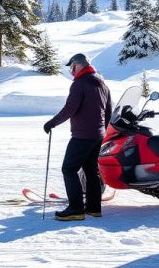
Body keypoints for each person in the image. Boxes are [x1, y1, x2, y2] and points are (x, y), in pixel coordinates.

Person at [43, 53, 112, 221]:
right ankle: (93, 208)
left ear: (78, 65)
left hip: (82, 135)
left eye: (71, 67)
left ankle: (75, 209)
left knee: (69, 169)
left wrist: (52, 123)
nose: (70, 71)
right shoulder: (102, 82)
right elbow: (108, 109)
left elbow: (70, 108)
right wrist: (102, 130)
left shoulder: (80, 83)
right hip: (97, 134)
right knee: (90, 170)